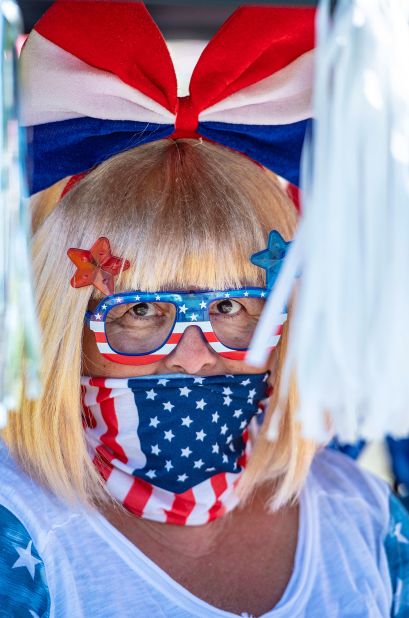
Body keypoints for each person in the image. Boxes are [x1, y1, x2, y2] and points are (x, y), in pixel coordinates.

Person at [1, 3, 409, 617]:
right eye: (139, 313)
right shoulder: (18, 539)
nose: (197, 357)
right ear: (67, 333)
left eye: (231, 305)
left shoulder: (370, 523)